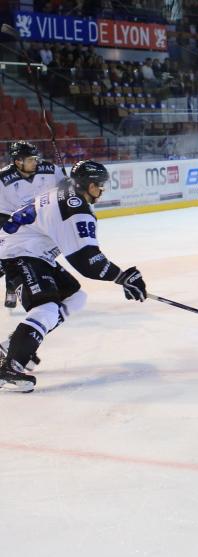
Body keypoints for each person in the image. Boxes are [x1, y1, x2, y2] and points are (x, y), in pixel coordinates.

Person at [0, 160, 147, 392]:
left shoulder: (64, 192)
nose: (102, 190)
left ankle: (14, 346)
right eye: (100, 185)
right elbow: (88, 261)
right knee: (46, 308)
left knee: (75, 297)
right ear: (89, 185)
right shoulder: (75, 209)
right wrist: (123, 277)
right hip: (19, 252)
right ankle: (9, 368)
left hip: (32, 251)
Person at [0, 141, 62, 311]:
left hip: (39, 220)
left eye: (35, 158)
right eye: (30, 159)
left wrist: (68, 184)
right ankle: (12, 286)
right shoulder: (3, 178)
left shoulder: (50, 170)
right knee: (11, 253)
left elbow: (66, 187)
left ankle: (21, 280)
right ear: (18, 161)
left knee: (37, 252)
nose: (35, 162)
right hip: (9, 218)